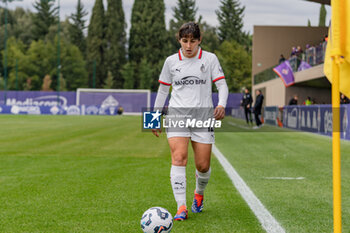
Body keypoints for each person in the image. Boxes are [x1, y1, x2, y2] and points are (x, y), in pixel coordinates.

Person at [152, 22, 228, 221]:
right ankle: (181, 207)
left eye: (192, 41)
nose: (188, 46)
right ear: (179, 40)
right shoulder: (170, 62)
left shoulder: (210, 59)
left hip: (203, 117)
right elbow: (162, 90)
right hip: (177, 115)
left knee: (203, 166)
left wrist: (221, 104)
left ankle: (199, 193)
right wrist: (153, 118)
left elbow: (221, 84)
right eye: (184, 41)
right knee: (179, 158)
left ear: (199, 40)